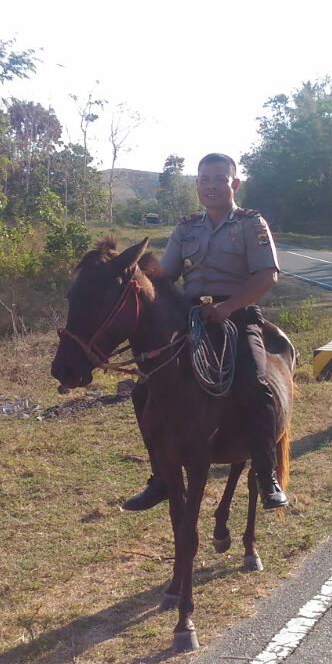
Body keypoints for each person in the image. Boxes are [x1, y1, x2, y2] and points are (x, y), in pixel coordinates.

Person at [123, 152, 289, 511]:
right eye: (204, 179)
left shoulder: (251, 223)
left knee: (255, 385)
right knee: (142, 391)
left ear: (234, 183)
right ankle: (159, 478)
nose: (211, 185)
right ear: (196, 185)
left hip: (237, 315)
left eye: (219, 178)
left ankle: (265, 474)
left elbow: (266, 276)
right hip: (192, 315)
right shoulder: (186, 227)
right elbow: (165, 277)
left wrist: (229, 307)